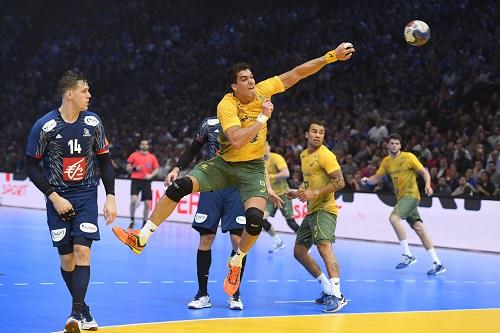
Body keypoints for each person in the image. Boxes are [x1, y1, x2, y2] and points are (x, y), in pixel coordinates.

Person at [112, 42, 355, 297]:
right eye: (244, 79)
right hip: (224, 165)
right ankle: (142, 238)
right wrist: (262, 118)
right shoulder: (226, 105)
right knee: (179, 186)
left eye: (251, 77)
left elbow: (296, 73)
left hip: (251, 169)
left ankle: (236, 261)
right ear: (234, 86)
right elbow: (237, 139)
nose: (251, 82)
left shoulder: (262, 91)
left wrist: (330, 57)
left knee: (254, 221)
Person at [25, 70, 117, 332]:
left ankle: (75, 314)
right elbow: (31, 167)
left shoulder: (94, 122)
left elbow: (105, 162)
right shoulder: (45, 126)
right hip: (58, 198)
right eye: (84, 91)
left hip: (87, 194)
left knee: (83, 252)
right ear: (69, 94)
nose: (89, 95)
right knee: (67, 260)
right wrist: (54, 198)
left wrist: (110, 196)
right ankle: (84, 309)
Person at [165, 116, 247, 310]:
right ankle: (202, 294)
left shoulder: (247, 123)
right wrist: (177, 168)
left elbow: (257, 158)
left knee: (238, 242)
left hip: (237, 187)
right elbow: (193, 149)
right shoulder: (208, 125)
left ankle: (235, 294)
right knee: (206, 239)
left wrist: (264, 186)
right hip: (212, 185)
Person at [361, 133, 446, 275]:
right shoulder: (386, 161)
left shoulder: (409, 157)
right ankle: (437, 263)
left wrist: (428, 185)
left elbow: (424, 172)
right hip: (402, 199)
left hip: (411, 196)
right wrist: (367, 180)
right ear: (388, 145)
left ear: (400, 146)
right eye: (392, 143)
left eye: (396, 143)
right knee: (419, 228)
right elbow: (376, 178)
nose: (394, 145)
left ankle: (407, 255)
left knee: (393, 218)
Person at [286, 121, 347, 313]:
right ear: (306, 134)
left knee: (324, 246)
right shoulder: (304, 155)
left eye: (321, 132)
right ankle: (327, 288)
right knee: (299, 252)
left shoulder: (326, 155)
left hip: (325, 209)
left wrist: (315, 193)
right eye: (314, 131)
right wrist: (298, 192)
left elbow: (340, 182)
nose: (317, 135)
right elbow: (309, 184)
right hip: (311, 211)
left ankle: (338, 295)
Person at [263, 142, 300, 253]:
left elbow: (286, 173)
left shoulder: (276, 158)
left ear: (269, 147)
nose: (262, 149)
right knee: (261, 220)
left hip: (283, 194)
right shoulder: (260, 162)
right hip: (271, 196)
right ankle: (277, 241)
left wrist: (272, 176)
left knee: (290, 222)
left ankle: (305, 243)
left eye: (264, 147)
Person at [126, 139, 159, 229]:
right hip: (135, 180)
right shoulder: (134, 155)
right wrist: (134, 168)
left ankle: (144, 222)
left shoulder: (152, 157)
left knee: (147, 204)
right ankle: (132, 220)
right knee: (133, 200)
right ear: (140, 145)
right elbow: (127, 168)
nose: (144, 145)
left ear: (148, 146)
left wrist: (151, 175)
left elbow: (156, 169)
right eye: (142, 144)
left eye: (146, 144)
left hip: (146, 181)